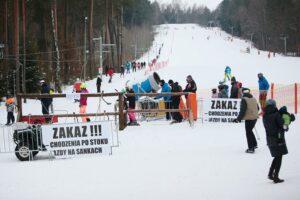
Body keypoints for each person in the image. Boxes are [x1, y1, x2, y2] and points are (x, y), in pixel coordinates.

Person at [262, 99, 294, 183]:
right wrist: (290, 119)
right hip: (278, 139)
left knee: (277, 156)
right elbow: (284, 126)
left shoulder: (265, 115)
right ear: (274, 105)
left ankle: (270, 173)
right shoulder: (276, 115)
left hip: (270, 139)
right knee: (279, 157)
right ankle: (275, 176)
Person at [233, 88, 259, 153]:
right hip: (255, 118)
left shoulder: (244, 99)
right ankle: (254, 144)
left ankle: (251, 148)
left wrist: (238, 119)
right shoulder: (253, 98)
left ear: (243, 93)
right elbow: (257, 108)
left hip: (249, 118)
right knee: (250, 131)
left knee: (248, 132)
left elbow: (242, 110)